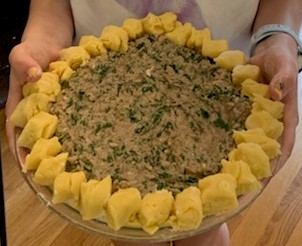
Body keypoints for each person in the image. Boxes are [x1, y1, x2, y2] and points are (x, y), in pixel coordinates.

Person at [5, 0, 302, 245]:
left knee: (207, 228)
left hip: (228, 92)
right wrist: (41, 43)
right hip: (91, 94)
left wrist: (276, 40)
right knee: (128, 231)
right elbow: (51, 7)